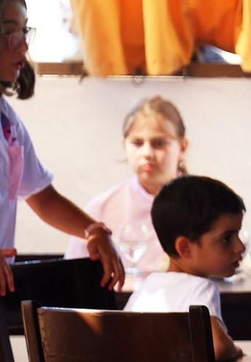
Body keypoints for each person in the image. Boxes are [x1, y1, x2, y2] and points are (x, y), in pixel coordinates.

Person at [0, 0, 123, 293]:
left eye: (24, 30)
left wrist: (92, 229)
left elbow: (42, 196)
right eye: (9, 33)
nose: (23, 45)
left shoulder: (4, 118)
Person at [124, 175, 246, 361]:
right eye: (226, 238)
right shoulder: (200, 288)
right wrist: (235, 350)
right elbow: (217, 347)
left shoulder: (147, 286)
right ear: (185, 248)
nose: (240, 247)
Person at [63, 95, 185, 272]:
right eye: (137, 143)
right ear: (124, 146)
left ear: (183, 147)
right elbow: (73, 275)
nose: (147, 153)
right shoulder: (102, 207)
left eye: (159, 143)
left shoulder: (205, 205)